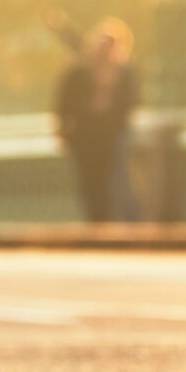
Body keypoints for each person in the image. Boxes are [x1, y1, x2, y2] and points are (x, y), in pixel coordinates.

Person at [54, 19, 141, 223]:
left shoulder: (126, 73)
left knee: (118, 181)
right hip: (85, 138)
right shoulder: (78, 73)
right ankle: (99, 223)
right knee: (90, 182)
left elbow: (130, 104)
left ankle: (123, 222)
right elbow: (63, 104)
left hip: (112, 137)